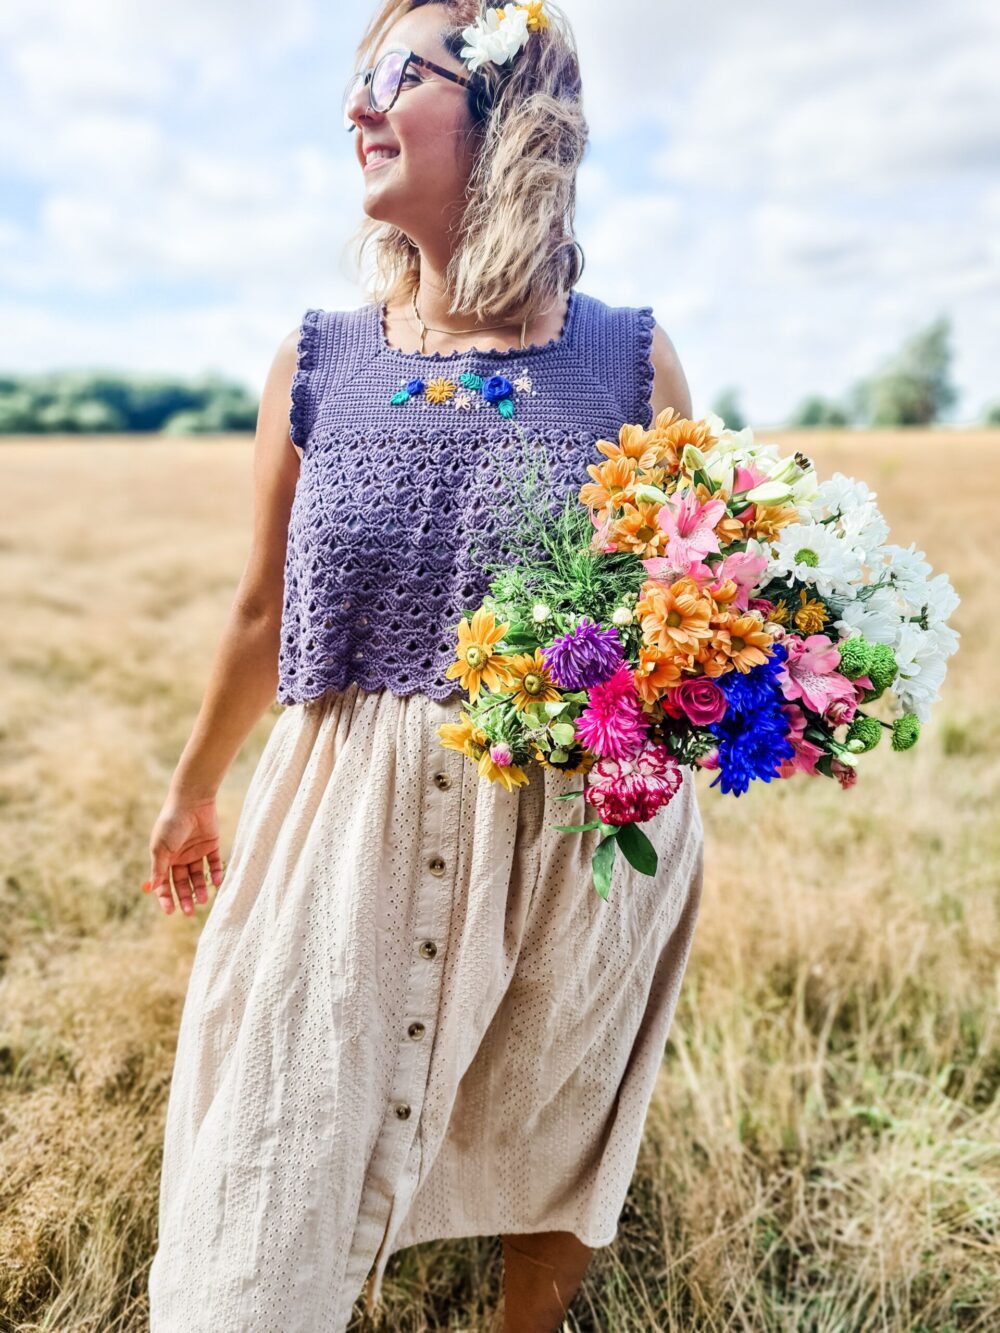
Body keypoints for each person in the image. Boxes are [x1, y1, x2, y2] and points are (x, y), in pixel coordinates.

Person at [145, 2, 704, 1330]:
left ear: (510, 113)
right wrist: (194, 788)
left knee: (549, 1119)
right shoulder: (318, 360)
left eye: (397, 74)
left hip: (574, 825)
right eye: (355, 80)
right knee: (267, 1148)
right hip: (349, 817)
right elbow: (258, 605)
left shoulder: (632, 358)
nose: (357, 108)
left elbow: (686, 601)